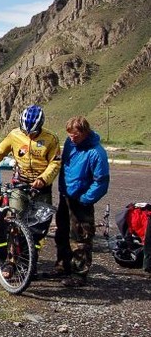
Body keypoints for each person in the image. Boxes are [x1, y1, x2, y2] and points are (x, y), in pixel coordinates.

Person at [53, 116, 110, 287]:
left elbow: (101, 181)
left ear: (85, 132)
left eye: (75, 135)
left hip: (81, 200)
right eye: (69, 135)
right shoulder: (71, 144)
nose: (72, 138)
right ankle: (63, 265)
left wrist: (86, 199)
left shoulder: (96, 153)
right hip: (66, 196)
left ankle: (79, 274)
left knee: (81, 238)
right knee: (62, 232)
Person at [0, 104, 61, 212]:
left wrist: (43, 179)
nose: (29, 135)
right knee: (16, 214)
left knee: (42, 221)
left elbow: (55, 162)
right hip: (20, 182)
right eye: (25, 132)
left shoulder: (51, 138)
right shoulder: (14, 135)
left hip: (42, 185)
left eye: (33, 133)